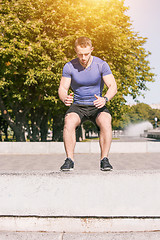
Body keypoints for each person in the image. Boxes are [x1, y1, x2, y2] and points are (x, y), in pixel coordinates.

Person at [58, 37, 117, 171]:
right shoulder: (69, 66)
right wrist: (64, 98)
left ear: (91, 50)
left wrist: (105, 99)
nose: (83, 57)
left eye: (86, 54)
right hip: (78, 105)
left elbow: (113, 86)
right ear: (75, 51)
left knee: (106, 120)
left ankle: (104, 159)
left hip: (97, 104)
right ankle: (69, 160)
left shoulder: (101, 65)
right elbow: (62, 88)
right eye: (80, 54)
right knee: (69, 121)